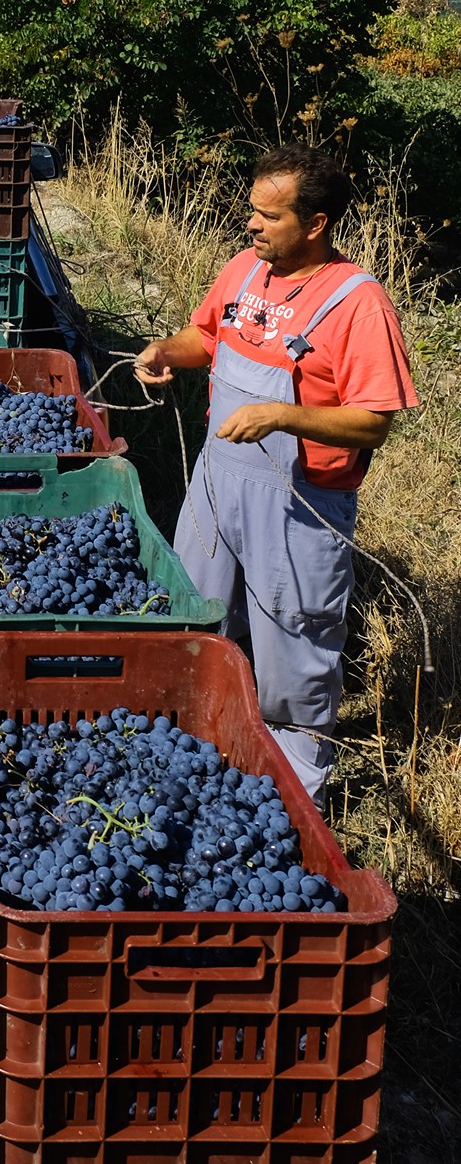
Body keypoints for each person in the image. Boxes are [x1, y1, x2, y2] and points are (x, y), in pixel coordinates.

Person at [134, 144, 417, 808]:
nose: (251, 225)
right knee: (191, 620)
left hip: (299, 504)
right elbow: (206, 338)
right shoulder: (244, 271)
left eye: (268, 215)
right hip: (217, 481)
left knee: (293, 650)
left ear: (315, 223)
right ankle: (192, 754)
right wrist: (164, 351)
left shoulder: (358, 304)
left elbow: (373, 423)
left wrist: (282, 416)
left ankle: (296, 800)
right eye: (251, 212)